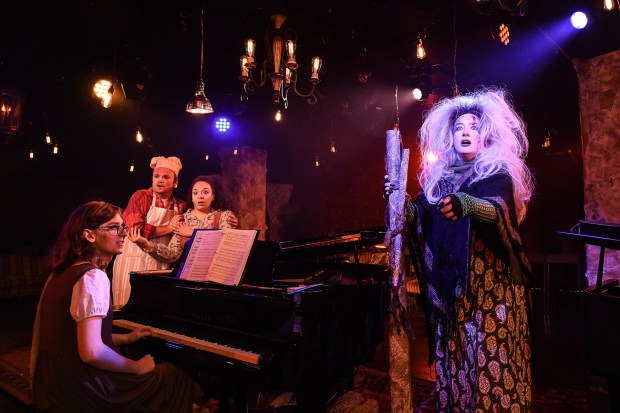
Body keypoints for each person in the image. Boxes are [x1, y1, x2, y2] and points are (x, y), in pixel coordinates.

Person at [385, 88, 534, 412]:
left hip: (494, 295)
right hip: (454, 296)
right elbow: (419, 216)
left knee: (490, 368)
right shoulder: (441, 180)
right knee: (457, 371)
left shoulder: (496, 173)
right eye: (459, 128)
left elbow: (497, 210)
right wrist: (400, 202)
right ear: (450, 137)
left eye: (473, 127)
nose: (466, 132)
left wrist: (469, 204)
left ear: (484, 135)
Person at [30, 200, 204, 412]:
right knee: (173, 376)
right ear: (89, 235)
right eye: (114, 227)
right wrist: (136, 367)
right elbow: (91, 352)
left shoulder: (63, 271)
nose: (123, 233)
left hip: (54, 383)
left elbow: (73, 336)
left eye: (123, 226)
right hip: (81, 389)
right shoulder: (92, 277)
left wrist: (126, 338)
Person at [112, 155, 186, 309]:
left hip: (160, 262)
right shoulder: (141, 197)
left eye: (166, 177)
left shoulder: (180, 205)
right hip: (133, 261)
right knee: (127, 308)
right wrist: (169, 228)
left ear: (175, 182)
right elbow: (137, 230)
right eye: (156, 176)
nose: (160, 180)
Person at [128, 175, 238, 263]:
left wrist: (193, 232)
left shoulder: (225, 216)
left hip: (216, 275)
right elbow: (172, 255)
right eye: (195, 193)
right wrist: (148, 245)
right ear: (192, 197)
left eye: (205, 192)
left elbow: (227, 246)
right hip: (189, 277)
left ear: (213, 196)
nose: (200, 196)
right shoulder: (183, 220)